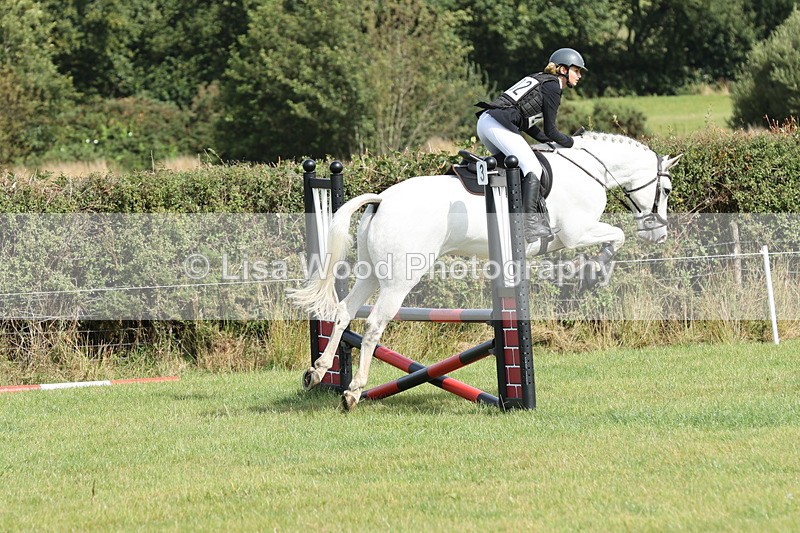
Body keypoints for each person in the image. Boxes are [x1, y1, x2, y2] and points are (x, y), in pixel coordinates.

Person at [475, 48, 587, 240]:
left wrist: (548, 141)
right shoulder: (553, 86)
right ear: (562, 69)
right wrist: (572, 141)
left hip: (488, 122)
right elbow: (551, 130)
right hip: (496, 124)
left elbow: (527, 124)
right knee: (533, 167)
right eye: (576, 71)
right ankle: (529, 224)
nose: (579, 76)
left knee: (515, 168)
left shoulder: (540, 79)